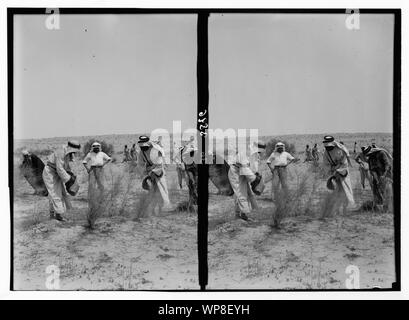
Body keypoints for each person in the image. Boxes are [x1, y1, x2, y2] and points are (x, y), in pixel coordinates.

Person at [42, 140, 81, 221]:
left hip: (56, 173)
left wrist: (71, 175)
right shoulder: (60, 152)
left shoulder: (67, 153)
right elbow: (60, 169)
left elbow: (65, 167)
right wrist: (69, 179)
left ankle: (54, 215)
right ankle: (57, 216)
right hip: (50, 173)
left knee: (59, 193)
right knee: (55, 194)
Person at [228, 142, 265, 221]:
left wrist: (256, 174)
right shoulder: (245, 152)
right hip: (236, 173)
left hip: (243, 173)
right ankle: (242, 215)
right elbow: (244, 168)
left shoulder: (255, 153)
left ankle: (242, 214)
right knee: (241, 193)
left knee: (248, 193)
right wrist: (254, 179)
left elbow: (253, 167)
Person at [138, 135, 174, 213]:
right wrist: (145, 175)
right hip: (149, 172)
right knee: (152, 189)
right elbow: (140, 164)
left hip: (158, 169)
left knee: (162, 187)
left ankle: (166, 205)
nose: (143, 148)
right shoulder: (141, 152)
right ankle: (153, 208)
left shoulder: (155, 150)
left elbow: (159, 162)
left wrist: (153, 172)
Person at [322, 135, 356, 214]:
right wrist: (332, 173)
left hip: (343, 171)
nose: (328, 148)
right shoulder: (326, 153)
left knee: (346, 187)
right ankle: (338, 207)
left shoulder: (339, 150)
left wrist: (338, 170)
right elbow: (326, 165)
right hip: (334, 173)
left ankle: (350, 205)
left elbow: (344, 163)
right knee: (337, 189)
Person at [82, 142, 112, 216]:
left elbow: (108, 159)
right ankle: (91, 199)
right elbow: (84, 162)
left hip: (100, 169)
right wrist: (88, 169)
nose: (96, 149)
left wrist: (103, 165)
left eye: (97, 147)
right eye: (95, 147)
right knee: (91, 185)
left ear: (99, 147)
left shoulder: (102, 154)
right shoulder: (90, 154)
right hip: (92, 169)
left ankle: (101, 198)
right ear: (93, 148)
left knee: (101, 184)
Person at [362, 145, 393, 210]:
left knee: (387, 190)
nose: (369, 156)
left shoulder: (381, 153)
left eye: (369, 154)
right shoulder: (370, 159)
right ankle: (379, 205)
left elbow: (387, 164)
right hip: (377, 176)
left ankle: (388, 206)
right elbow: (372, 170)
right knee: (376, 189)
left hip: (386, 174)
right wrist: (377, 180)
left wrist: (383, 175)